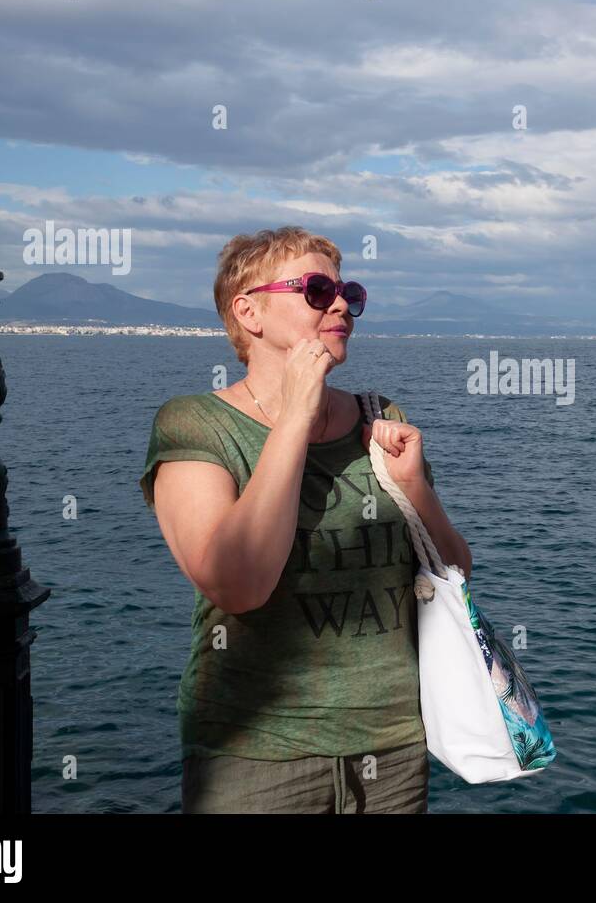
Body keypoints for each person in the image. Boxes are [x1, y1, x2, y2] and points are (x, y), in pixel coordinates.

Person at [138, 226, 472, 813]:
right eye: (317, 290)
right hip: (257, 752)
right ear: (250, 312)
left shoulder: (379, 417)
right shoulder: (193, 424)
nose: (341, 304)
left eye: (349, 293)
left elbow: (453, 573)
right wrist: (296, 415)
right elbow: (237, 584)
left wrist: (416, 487)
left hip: (393, 747)